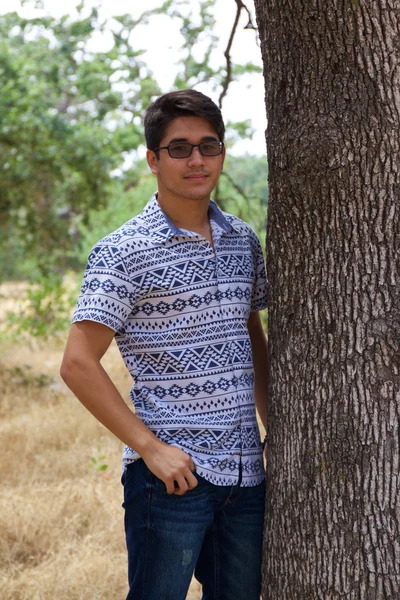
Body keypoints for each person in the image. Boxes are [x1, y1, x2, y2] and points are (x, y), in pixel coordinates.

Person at [60, 88, 268, 600]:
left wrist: (274, 430)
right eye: (179, 148)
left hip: (246, 476)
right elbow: (77, 364)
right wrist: (152, 450)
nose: (196, 160)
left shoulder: (242, 240)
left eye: (209, 146)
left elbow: (252, 337)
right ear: (154, 159)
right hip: (173, 478)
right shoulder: (122, 252)